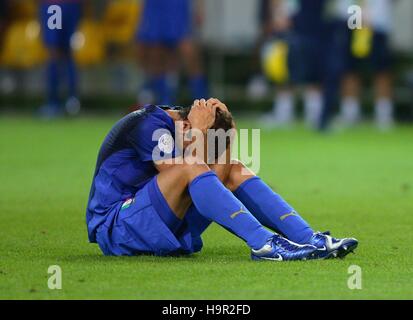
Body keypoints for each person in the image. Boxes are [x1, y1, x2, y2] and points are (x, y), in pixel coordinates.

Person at [86, 98, 358, 260]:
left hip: (152, 222)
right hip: (116, 226)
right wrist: (201, 131)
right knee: (190, 166)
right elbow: (179, 171)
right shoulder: (150, 123)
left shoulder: (179, 130)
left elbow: (210, 181)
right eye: (203, 138)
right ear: (188, 124)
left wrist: (229, 139)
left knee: (233, 169)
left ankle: (310, 239)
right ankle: (265, 244)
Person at [136, 0, 208, 106]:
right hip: (155, 5)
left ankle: (203, 102)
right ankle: (165, 104)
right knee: (156, 52)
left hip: (178, 5)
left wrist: (200, 8)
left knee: (188, 52)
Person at [338, 0, 395, 129]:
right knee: (349, 71)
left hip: (378, 26)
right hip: (352, 25)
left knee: (382, 72)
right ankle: (349, 113)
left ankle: (384, 114)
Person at [39, 0, 83, 118]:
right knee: (68, 52)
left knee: (54, 52)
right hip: (72, 6)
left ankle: (53, 103)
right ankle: (72, 101)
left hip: (53, 5)